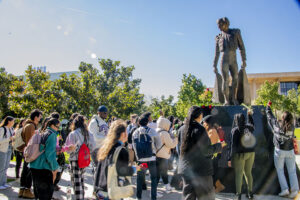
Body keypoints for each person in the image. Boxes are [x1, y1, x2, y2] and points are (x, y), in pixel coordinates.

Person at [179, 106, 224, 200]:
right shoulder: (200, 129)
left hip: (186, 169)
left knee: (188, 197)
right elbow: (206, 150)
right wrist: (219, 146)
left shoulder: (182, 129)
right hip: (201, 171)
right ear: (200, 115)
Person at [94, 120, 135, 199]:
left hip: (99, 189)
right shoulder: (121, 150)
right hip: (111, 191)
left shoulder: (105, 147)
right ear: (123, 134)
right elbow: (122, 172)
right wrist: (134, 169)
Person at [266, 102, 299, 198]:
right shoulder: (292, 127)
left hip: (279, 151)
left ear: (283, 117)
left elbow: (270, 117)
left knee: (280, 170)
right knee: (292, 171)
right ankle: (295, 191)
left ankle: (284, 190)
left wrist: (268, 107)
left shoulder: (277, 124)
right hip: (290, 151)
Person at [213, 17, 246, 105]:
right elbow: (216, 53)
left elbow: (241, 47)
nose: (218, 27)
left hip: (233, 60)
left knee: (235, 78)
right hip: (224, 60)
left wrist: (243, 60)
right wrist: (214, 65)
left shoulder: (235, 32)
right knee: (225, 80)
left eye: (220, 24)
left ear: (226, 23)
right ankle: (226, 100)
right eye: (218, 25)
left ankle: (234, 98)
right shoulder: (218, 37)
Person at [132, 112, 163, 200]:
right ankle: (153, 197)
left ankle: (139, 197)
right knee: (153, 178)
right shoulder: (152, 131)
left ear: (138, 123)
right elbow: (159, 144)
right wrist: (155, 150)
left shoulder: (135, 132)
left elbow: (134, 146)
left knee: (139, 178)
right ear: (147, 123)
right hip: (151, 158)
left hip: (140, 160)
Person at [65, 115, 96, 200]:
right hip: (84, 159)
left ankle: (79, 198)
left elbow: (68, 149)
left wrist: (76, 149)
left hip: (75, 159)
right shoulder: (88, 133)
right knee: (81, 180)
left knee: (76, 181)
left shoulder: (73, 134)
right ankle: (81, 196)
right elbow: (93, 147)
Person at [29, 118, 60, 200]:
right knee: (46, 194)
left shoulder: (41, 132)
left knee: (37, 193)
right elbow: (50, 154)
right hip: (44, 167)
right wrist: (55, 167)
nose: (58, 129)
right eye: (57, 127)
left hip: (34, 165)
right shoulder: (52, 135)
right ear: (52, 125)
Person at [228, 110, 255, 200]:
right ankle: (250, 193)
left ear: (236, 120)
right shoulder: (249, 128)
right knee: (248, 173)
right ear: (244, 119)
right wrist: (249, 115)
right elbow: (252, 124)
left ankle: (238, 195)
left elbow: (233, 145)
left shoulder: (235, 130)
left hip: (240, 154)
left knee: (239, 174)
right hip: (251, 153)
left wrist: (229, 158)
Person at [19, 109, 43, 199]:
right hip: (30, 152)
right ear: (36, 117)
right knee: (28, 171)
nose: (40, 119)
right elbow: (31, 141)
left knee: (25, 170)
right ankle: (27, 190)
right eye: (40, 117)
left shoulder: (28, 125)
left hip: (26, 151)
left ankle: (22, 190)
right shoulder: (31, 126)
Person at [201, 115, 225, 193]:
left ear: (208, 123)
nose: (203, 124)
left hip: (213, 156)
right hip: (212, 155)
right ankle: (218, 187)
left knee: (211, 174)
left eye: (204, 122)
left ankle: (217, 187)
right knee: (212, 173)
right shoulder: (210, 130)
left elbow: (209, 144)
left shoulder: (212, 131)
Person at [156, 117, 178, 193]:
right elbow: (171, 144)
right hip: (162, 155)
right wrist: (176, 138)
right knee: (163, 172)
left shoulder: (156, 131)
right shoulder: (164, 133)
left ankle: (166, 187)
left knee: (158, 173)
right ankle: (160, 189)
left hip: (155, 155)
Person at [0, 116, 15, 190]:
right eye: (13, 121)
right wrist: (8, 139)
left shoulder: (11, 129)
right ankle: (0, 184)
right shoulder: (2, 129)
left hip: (9, 148)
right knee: (1, 167)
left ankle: (3, 183)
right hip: (2, 149)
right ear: (9, 121)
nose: (13, 123)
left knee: (6, 166)